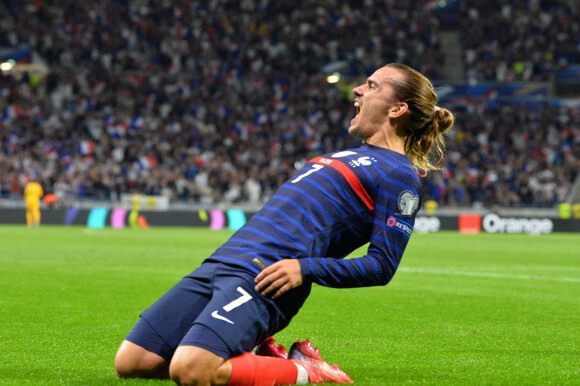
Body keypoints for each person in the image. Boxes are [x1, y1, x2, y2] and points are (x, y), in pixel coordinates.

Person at [114, 63, 455, 385]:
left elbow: (381, 266)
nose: (357, 90)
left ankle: (303, 369)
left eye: (371, 86)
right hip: (222, 261)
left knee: (192, 370)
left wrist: (305, 269)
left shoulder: (399, 175)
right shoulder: (340, 155)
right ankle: (252, 355)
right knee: (132, 363)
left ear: (397, 109)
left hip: (266, 276)